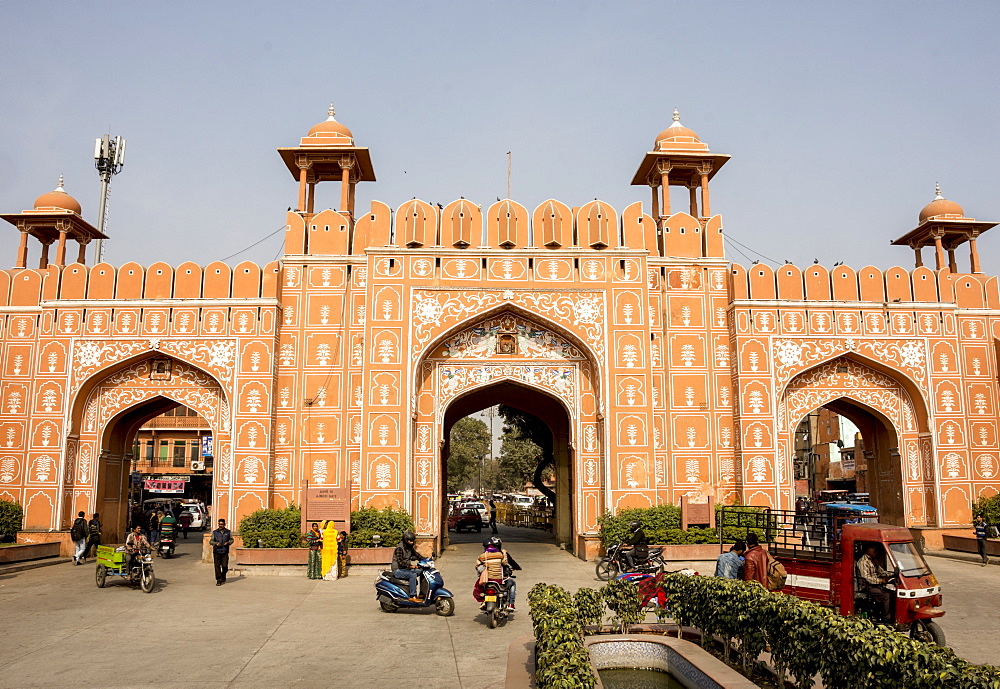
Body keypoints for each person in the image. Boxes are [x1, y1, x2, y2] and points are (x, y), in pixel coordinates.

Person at [475, 536, 521, 609]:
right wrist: (505, 554)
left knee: (480, 585)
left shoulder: (482, 556)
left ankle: (484, 601)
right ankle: (511, 604)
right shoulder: (500, 554)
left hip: (487, 580)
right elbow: (505, 563)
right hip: (499, 580)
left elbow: (477, 565)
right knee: (512, 583)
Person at [856, 543, 894, 622]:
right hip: (867, 587)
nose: (876, 552)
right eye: (874, 549)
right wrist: (881, 581)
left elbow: (881, 572)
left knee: (893, 593)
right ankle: (887, 618)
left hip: (876, 585)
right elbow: (867, 578)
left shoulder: (873, 560)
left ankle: (888, 614)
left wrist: (892, 574)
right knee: (887, 596)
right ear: (868, 550)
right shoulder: (863, 562)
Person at [391, 530, 423, 602]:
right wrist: (411, 566)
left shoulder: (409, 548)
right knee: (412, 575)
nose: (412, 543)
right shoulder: (399, 548)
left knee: (422, 571)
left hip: (405, 569)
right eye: (410, 541)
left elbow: (416, 555)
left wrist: (426, 560)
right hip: (398, 570)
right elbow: (400, 562)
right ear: (406, 540)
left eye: (412, 541)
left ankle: (422, 593)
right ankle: (413, 596)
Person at [210, 519, 234, 586]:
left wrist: (228, 543)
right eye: (219, 524)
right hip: (217, 551)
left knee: (224, 566)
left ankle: (223, 575)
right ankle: (219, 580)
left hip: (225, 551)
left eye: (222, 524)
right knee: (217, 566)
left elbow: (232, 540)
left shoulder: (228, 532)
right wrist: (215, 543)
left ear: (224, 524)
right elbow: (211, 541)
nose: (220, 526)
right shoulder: (215, 532)